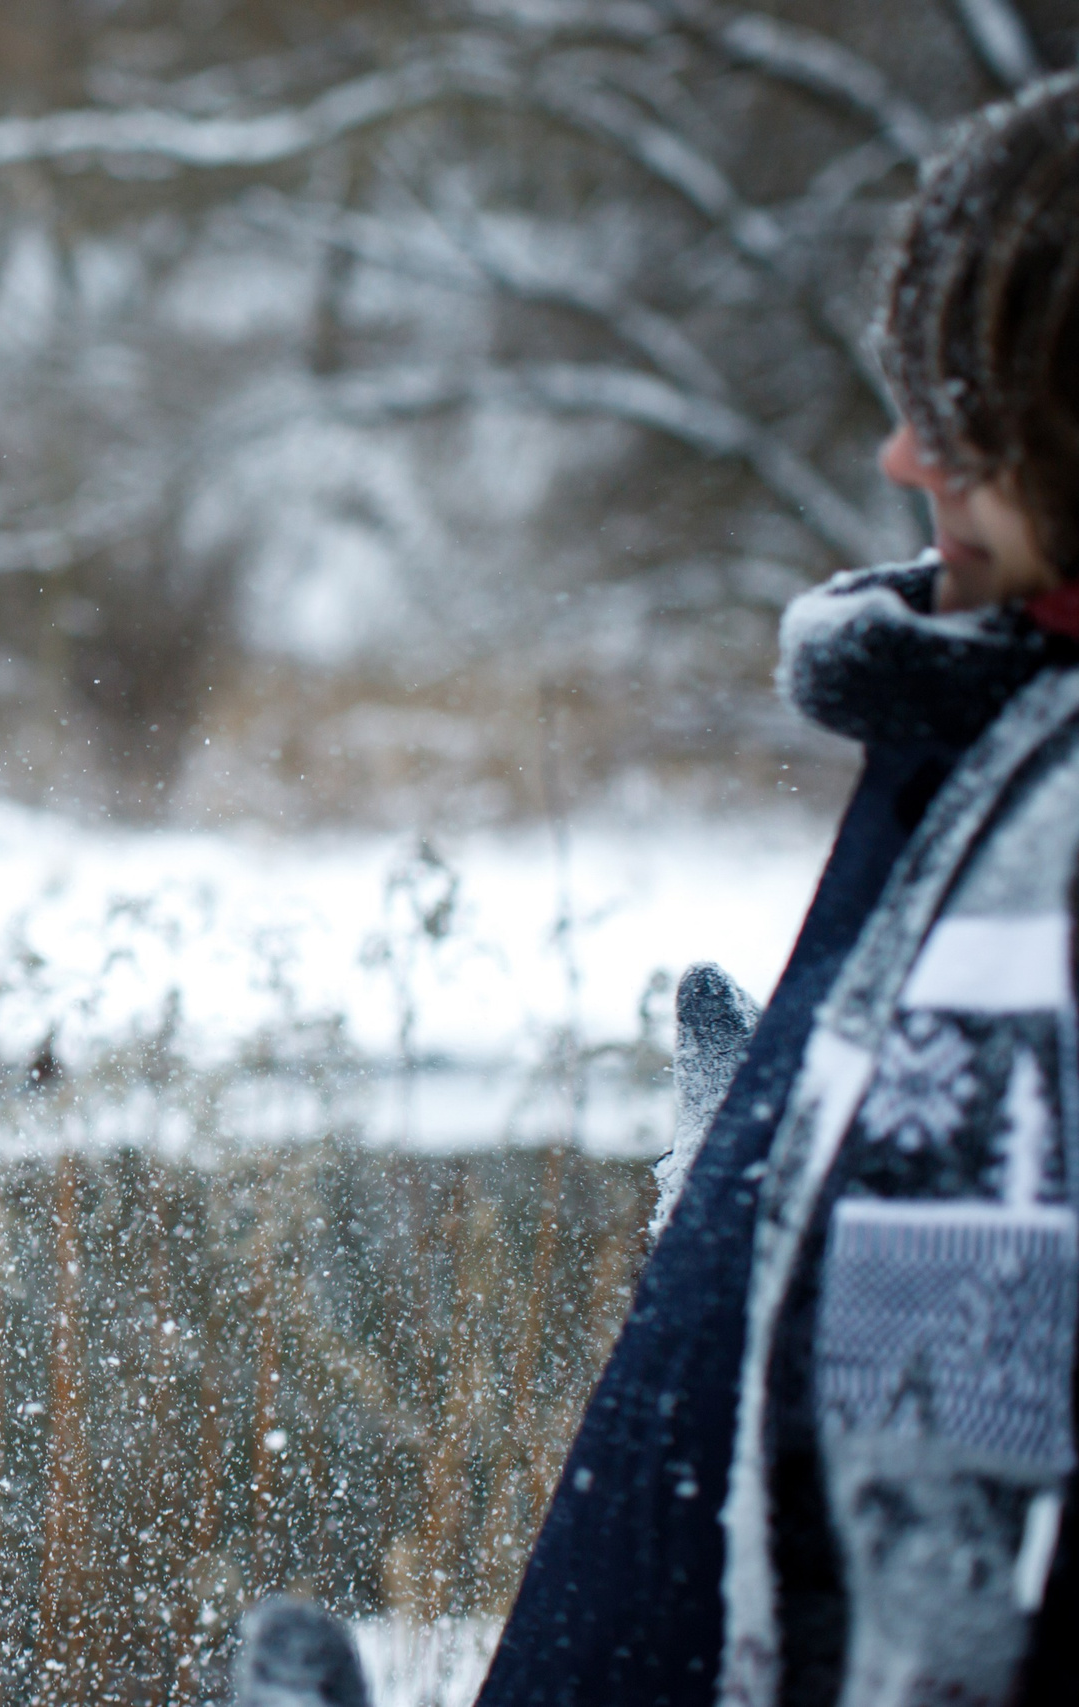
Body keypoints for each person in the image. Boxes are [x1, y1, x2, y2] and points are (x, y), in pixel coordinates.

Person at [474, 78, 1079, 1707]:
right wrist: (767, 1209)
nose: (899, 456)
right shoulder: (989, 753)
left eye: (960, 409)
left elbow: (955, 1590)